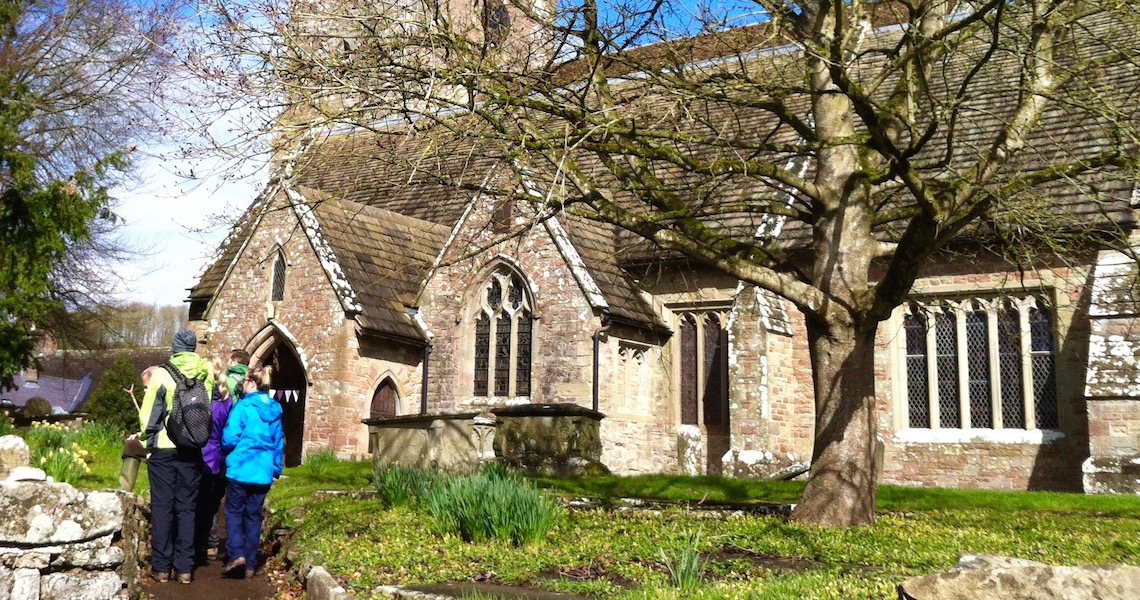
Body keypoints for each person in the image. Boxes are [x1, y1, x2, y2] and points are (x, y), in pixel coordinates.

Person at [139, 329, 214, 584]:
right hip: (192, 450)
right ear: (193, 348)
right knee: (187, 509)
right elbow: (205, 412)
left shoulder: (161, 374)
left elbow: (149, 416)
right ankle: (184, 569)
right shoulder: (207, 373)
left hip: (163, 449)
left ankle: (161, 568)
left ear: (174, 347)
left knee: (162, 508)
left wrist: (147, 444)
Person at [221, 365, 283, 580]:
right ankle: (250, 564)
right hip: (263, 471)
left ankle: (237, 554)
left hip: (241, 468)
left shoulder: (243, 407)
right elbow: (278, 443)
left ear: (252, 383)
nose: (242, 386)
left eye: (245, 382)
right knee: (254, 517)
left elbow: (229, 438)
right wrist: (276, 468)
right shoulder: (275, 410)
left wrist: (228, 450)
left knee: (234, 512)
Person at [195, 357, 235, 564]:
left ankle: (198, 543)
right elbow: (230, 431)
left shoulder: (199, 395)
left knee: (197, 501)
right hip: (220, 457)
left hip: (200, 455)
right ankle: (211, 544)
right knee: (212, 503)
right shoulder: (227, 400)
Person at [119, 366, 157, 493]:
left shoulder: (164, 396)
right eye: (144, 388)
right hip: (151, 438)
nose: (145, 392)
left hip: (163, 443)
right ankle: (125, 489)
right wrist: (140, 434)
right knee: (131, 445)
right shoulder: (150, 399)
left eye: (147, 387)